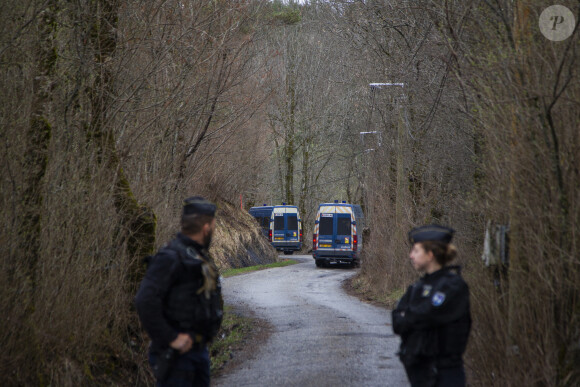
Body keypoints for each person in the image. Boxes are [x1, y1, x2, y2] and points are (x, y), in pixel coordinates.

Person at [135, 196, 223, 387]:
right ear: (206, 228)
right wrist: (171, 338)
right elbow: (145, 300)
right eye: (213, 227)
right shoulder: (170, 257)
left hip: (198, 353)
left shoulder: (198, 256)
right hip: (177, 357)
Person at [392, 225, 471, 387]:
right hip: (420, 373)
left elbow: (425, 315)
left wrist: (409, 316)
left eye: (416, 251)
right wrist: (411, 316)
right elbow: (397, 320)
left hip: (445, 373)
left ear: (430, 255)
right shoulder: (418, 286)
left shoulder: (453, 286)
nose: (411, 256)